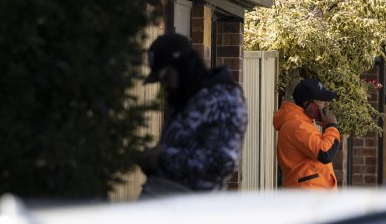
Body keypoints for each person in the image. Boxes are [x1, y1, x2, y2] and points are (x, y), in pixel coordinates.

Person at [136, 33, 248, 197]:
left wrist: (161, 158)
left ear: (184, 66)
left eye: (166, 77)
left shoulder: (223, 100)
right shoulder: (186, 97)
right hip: (164, 199)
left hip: (190, 208)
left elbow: (222, 163)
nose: (164, 85)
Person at [273, 78, 341, 189]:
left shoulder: (301, 123)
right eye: (321, 101)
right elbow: (325, 153)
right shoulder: (298, 126)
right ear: (307, 105)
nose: (325, 105)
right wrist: (331, 127)